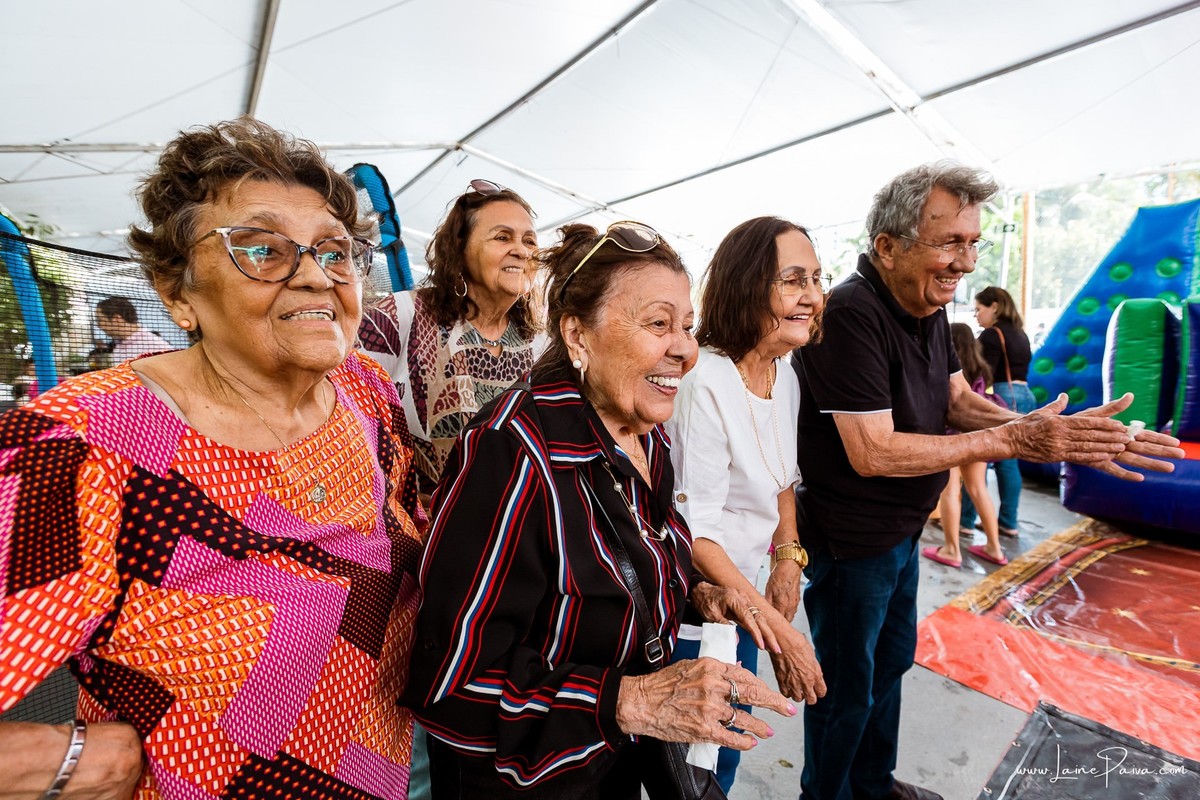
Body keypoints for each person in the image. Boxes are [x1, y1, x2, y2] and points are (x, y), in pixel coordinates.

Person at [0, 118, 426, 799]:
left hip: (381, 774)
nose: (316, 276)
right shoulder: (80, 444)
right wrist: (75, 762)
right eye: (262, 250)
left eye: (334, 251)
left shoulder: (365, 392)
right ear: (177, 293)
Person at [792, 160, 1182, 800]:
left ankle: (873, 785)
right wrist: (1016, 439)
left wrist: (1058, 432)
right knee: (845, 689)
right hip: (852, 541)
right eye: (950, 242)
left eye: (973, 242)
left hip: (899, 534)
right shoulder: (850, 314)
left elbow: (956, 401)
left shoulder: (926, 307)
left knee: (890, 664)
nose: (967, 262)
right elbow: (873, 451)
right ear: (887, 246)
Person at [404, 221, 797, 799]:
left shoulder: (645, 435)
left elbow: (615, 568)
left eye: (687, 327)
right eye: (658, 324)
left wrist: (695, 594)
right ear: (577, 335)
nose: (685, 349)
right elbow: (451, 683)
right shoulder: (514, 453)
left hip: (608, 766)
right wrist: (631, 701)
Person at [664, 216, 827, 792]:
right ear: (747, 286)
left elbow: (783, 478)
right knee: (697, 762)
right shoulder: (705, 381)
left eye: (817, 279)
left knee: (728, 745)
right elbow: (694, 532)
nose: (813, 296)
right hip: (694, 600)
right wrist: (782, 634)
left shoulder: (785, 374)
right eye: (794, 280)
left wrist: (788, 558)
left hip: (746, 593)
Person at [359, 179, 545, 497]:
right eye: (502, 237)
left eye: (529, 240)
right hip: (415, 520)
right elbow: (344, 408)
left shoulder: (541, 343)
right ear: (460, 249)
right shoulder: (400, 315)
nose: (521, 250)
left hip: (515, 520)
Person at [922, 323, 1006, 568]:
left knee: (949, 492)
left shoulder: (943, 368)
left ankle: (952, 549)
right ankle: (994, 547)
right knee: (979, 489)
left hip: (950, 436)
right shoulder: (982, 369)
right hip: (977, 433)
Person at [961, 286, 1034, 537]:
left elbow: (981, 372)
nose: (976, 315)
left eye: (978, 309)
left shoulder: (992, 335)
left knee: (978, 459)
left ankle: (965, 520)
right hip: (1025, 394)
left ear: (994, 307)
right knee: (1010, 461)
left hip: (1003, 396)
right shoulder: (1021, 334)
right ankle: (1008, 521)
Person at [95, 295, 175, 362]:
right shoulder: (117, 344)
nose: (98, 325)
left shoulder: (155, 345)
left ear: (117, 319)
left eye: (100, 320)